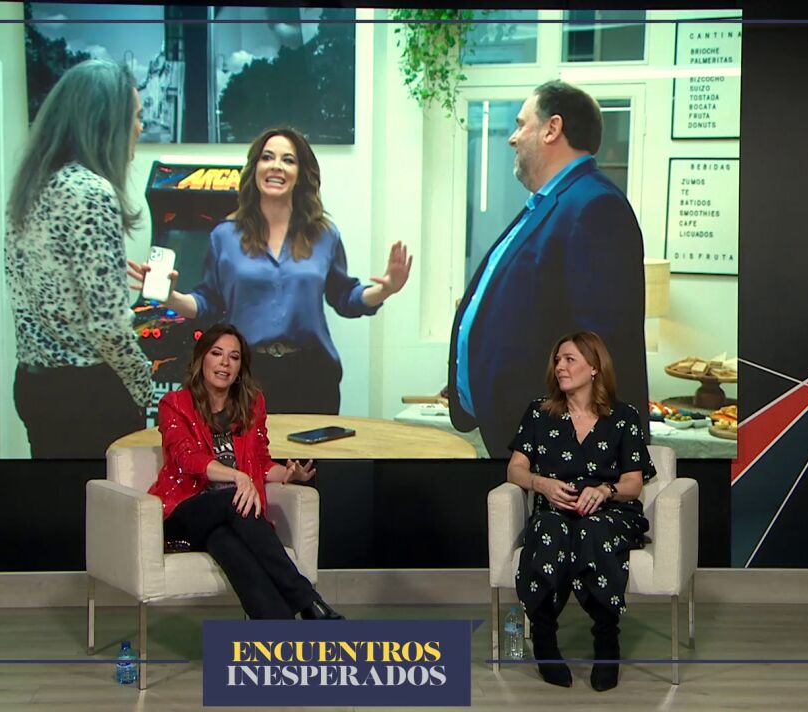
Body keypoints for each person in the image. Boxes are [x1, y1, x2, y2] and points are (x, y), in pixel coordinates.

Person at [129, 127, 412, 414]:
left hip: (312, 375)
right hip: (246, 375)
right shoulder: (225, 236)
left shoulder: (324, 234)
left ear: (300, 174)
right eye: (267, 157)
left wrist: (385, 289)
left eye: (288, 160)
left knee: (307, 446)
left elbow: (346, 297)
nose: (276, 165)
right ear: (255, 169)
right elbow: (208, 303)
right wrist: (170, 297)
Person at [448, 80, 648, 458]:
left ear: (552, 128)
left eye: (521, 124)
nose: (512, 138)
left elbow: (602, 347)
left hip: (560, 451)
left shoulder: (594, 207)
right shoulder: (550, 204)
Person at [4, 59, 154, 458]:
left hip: (36, 385)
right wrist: (143, 383)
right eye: (136, 116)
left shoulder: (32, 186)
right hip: (89, 395)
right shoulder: (91, 192)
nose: (140, 127)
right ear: (106, 122)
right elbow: (106, 324)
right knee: (105, 499)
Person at [147, 323, 344, 620]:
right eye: (217, 353)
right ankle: (309, 602)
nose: (225, 363)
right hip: (184, 512)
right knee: (232, 498)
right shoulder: (175, 404)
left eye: (234, 357)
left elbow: (260, 463)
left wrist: (288, 475)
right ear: (202, 359)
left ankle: (281, 635)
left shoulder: (251, 405)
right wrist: (237, 477)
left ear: (241, 367)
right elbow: (188, 458)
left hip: (230, 519)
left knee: (229, 547)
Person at [507, 331, 654, 691]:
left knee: (593, 531)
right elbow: (515, 470)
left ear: (594, 367)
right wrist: (541, 484)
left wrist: (605, 490)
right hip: (555, 511)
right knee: (549, 530)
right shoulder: (540, 413)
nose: (560, 366)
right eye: (557, 360)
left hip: (608, 512)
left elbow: (633, 482)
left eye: (569, 359)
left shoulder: (623, 417)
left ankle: (607, 644)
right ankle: (545, 640)